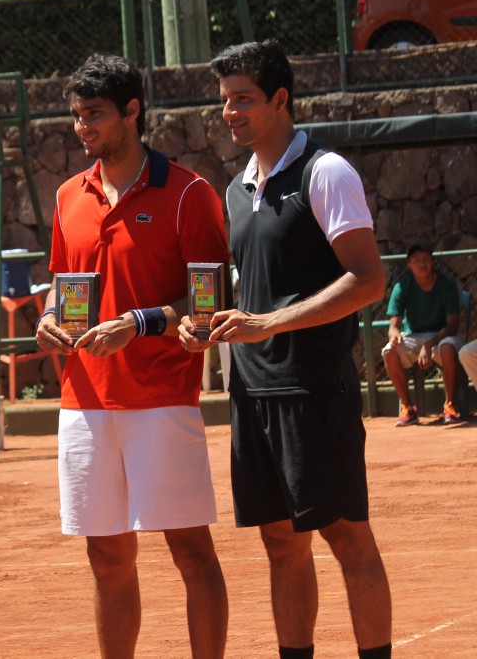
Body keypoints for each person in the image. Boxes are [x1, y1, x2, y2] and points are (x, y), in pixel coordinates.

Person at [181, 40, 392, 659]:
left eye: (243, 98)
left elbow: (368, 280)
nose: (230, 111)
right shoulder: (235, 189)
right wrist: (203, 323)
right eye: (225, 100)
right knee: (280, 543)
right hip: (252, 391)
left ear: (280, 99)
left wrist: (270, 323)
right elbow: (248, 287)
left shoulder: (326, 173)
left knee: (347, 538)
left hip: (314, 387)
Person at [35, 53, 229, 659]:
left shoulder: (189, 193)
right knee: (107, 557)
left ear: (132, 111)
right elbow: (64, 289)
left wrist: (138, 324)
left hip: (162, 400)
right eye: (77, 116)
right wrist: (49, 319)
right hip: (84, 403)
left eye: (94, 114)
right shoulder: (68, 196)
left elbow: (210, 300)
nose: (82, 127)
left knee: (190, 551)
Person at [381, 242, 463, 425]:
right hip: (413, 337)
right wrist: (395, 336)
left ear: (432, 262)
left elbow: (452, 326)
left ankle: (449, 406)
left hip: (443, 336)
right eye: (416, 260)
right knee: (388, 352)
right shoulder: (402, 287)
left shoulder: (447, 284)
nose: (422, 264)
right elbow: (393, 326)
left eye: (426, 259)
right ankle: (408, 409)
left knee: (448, 348)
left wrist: (429, 344)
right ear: (409, 264)